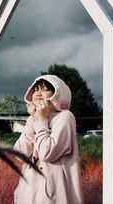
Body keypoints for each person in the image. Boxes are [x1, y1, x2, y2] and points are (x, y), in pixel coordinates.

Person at [14, 74, 84, 204]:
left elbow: (47, 153)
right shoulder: (33, 119)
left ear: (56, 94)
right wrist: (34, 119)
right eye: (36, 89)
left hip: (52, 197)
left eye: (45, 89)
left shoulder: (65, 117)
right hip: (28, 194)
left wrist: (41, 120)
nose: (38, 93)